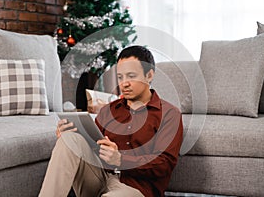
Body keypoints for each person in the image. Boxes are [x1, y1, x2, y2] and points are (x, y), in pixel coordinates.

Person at [39, 45, 183, 197]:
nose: (124, 83)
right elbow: (92, 146)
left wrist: (121, 159)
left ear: (149, 75)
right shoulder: (109, 110)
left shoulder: (169, 114)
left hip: (137, 188)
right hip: (99, 179)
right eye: (120, 77)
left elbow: (164, 164)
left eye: (131, 76)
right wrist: (70, 135)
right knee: (69, 139)